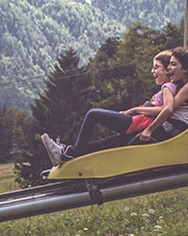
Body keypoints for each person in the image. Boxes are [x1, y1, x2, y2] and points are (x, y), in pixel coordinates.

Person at [41, 51, 176, 165]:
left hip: (139, 122)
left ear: (166, 70)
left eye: (156, 67)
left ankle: (69, 154)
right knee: (105, 143)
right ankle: (69, 153)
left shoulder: (168, 87)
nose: (152, 71)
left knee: (93, 114)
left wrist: (136, 110)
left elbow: (165, 109)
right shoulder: (168, 88)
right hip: (139, 122)